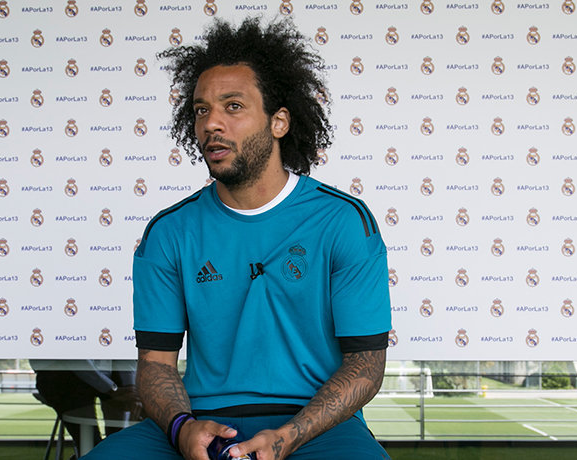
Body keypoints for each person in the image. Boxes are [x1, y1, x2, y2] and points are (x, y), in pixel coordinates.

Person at [84, 17, 391, 460]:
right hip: (200, 418)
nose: (211, 123)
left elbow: (365, 366)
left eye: (233, 106)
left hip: (314, 424)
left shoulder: (343, 221)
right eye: (201, 109)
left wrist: (288, 436)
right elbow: (155, 366)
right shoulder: (169, 232)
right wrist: (180, 428)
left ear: (279, 121)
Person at [31, 359, 143, 458]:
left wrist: (130, 388)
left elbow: (123, 357)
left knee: (117, 441)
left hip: (103, 374)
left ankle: (109, 449)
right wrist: (111, 390)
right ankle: (94, 450)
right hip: (62, 374)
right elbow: (76, 360)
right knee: (90, 442)